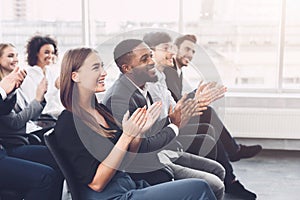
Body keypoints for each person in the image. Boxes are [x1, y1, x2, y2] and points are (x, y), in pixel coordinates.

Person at [54, 47, 216, 200]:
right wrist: (127, 136)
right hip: (112, 196)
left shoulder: (101, 111)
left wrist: (138, 134)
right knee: (199, 188)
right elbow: (97, 184)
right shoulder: (69, 122)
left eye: (102, 67)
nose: (103, 73)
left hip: (127, 186)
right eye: (95, 68)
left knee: (197, 187)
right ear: (75, 76)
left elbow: (124, 163)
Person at [102, 39, 225, 199]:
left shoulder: (143, 86)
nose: (152, 62)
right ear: (127, 68)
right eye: (144, 59)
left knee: (218, 170)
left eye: (150, 56)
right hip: (143, 167)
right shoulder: (120, 98)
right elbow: (140, 146)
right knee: (215, 185)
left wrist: (191, 105)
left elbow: (155, 126)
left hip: (159, 153)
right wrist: (174, 125)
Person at [163, 34, 261, 199]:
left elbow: (177, 100)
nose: (190, 54)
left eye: (193, 51)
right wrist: (196, 97)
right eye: (187, 49)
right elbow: (174, 105)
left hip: (176, 120)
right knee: (207, 122)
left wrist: (198, 96)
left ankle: (232, 163)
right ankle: (232, 163)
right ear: (175, 49)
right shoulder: (168, 71)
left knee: (207, 115)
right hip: (170, 125)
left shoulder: (176, 72)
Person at [0, 43, 64, 200]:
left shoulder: (15, 85)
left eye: (16, 55)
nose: (15, 59)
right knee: (47, 174)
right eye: (10, 56)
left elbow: (29, 114)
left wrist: (38, 98)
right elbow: (14, 122)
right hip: (12, 145)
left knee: (61, 158)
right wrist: (38, 98)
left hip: (22, 140)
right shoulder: (7, 86)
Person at [20, 35, 64, 119]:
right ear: (36, 53)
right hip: (41, 117)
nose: (50, 56)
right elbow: (34, 101)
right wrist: (55, 88)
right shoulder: (28, 75)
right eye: (46, 52)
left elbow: (58, 101)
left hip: (57, 114)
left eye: (52, 53)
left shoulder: (52, 73)